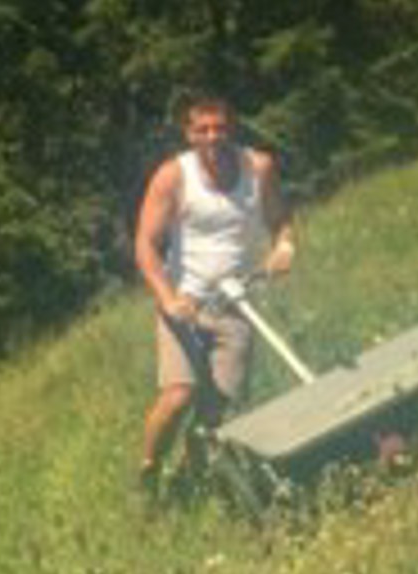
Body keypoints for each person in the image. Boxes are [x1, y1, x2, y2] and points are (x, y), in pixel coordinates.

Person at [134, 94, 295, 480]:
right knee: (179, 396)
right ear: (189, 134)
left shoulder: (258, 167)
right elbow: (145, 244)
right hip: (185, 305)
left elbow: (280, 220)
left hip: (236, 304)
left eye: (220, 128)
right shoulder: (173, 176)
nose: (212, 137)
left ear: (232, 128)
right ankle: (149, 471)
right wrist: (168, 299)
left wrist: (285, 246)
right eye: (202, 130)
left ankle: (190, 478)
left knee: (218, 414)